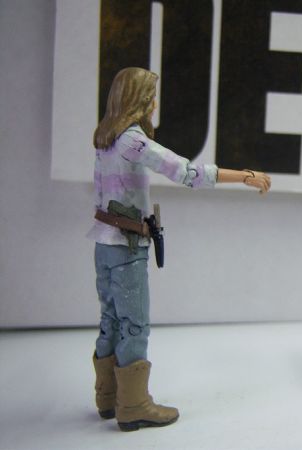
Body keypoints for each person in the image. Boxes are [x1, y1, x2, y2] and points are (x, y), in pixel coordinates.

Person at [88, 67, 271, 431]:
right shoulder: (132, 141)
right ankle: (133, 405)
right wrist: (243, 176)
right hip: (126, 246)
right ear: (139, 100)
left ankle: (108, 397)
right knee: (134, 325)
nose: (155, 104)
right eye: (151, 97)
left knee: (110, 319)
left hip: (104, 241)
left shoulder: (105, 138)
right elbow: (186, 173)